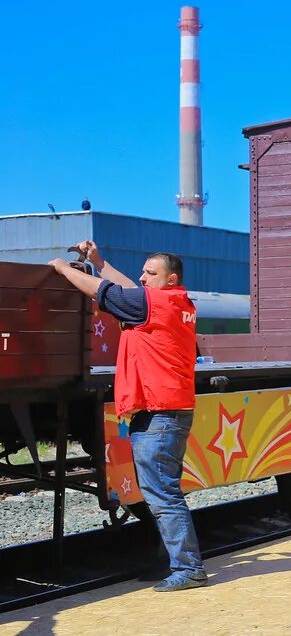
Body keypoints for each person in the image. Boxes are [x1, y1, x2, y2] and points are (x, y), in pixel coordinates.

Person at [49, 242, 207, 591]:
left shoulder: (157, 303)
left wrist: (64, 269)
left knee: (163, 495)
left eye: (151, 273)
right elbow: (130, 292)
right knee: (165, 492)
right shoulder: (176, 301)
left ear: (171, 279)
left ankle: (188, 568)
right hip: (168, 411)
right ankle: (185, 563)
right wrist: (99, 262)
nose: (143, 277)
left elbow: (106, 293)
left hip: (158, 414)